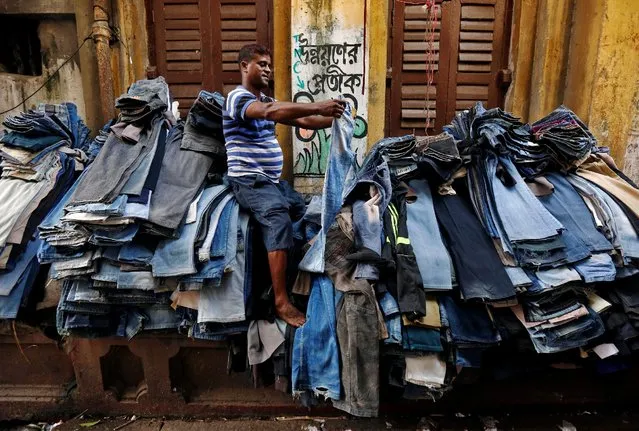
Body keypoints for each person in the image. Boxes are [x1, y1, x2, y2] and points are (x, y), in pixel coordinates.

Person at [223, 44, 346, 327]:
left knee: (303, 210)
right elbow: (268, 112)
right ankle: (280, 301)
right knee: (277, 217)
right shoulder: (237, 99)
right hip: (248, 180)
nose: (267, 69)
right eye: (261, 64)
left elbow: (304, 120)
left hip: (270, 182)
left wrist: (337, 118)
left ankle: (293, 278)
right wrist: (318, 104)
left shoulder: (268, 100)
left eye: (269, 64)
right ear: (244, 66)